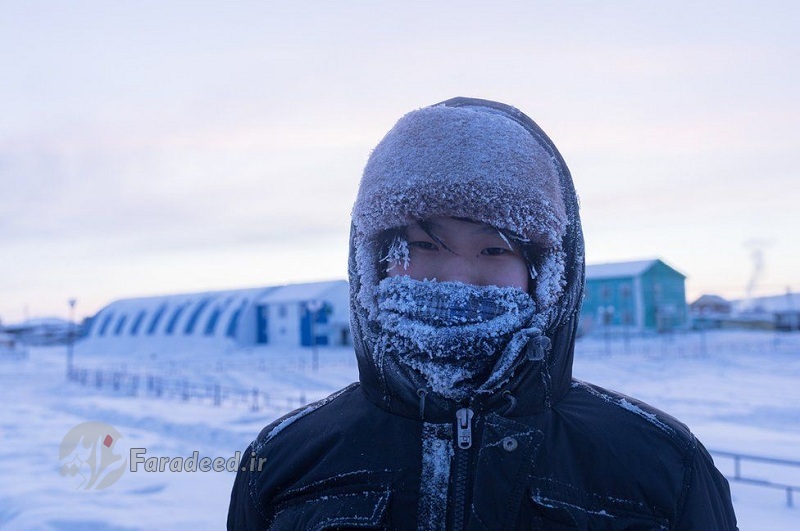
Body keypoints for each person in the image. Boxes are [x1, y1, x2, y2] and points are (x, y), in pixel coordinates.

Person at [227, 97, 738, 529]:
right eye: (424, 248)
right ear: (375, 264)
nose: (455, 277)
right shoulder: (285, 460)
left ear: (547, 275)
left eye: (494, 250)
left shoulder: (661, 464)